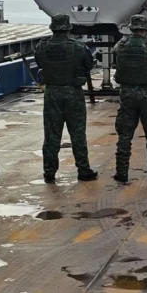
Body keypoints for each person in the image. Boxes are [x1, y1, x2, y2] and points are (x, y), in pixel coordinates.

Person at [33, 14, 98, 182]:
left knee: (51, 134)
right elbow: (89, 65)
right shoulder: (78, 47)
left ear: (52, 28)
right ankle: (83, 170)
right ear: (68, 28)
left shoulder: (42, 46)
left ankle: (49, 172)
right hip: (73, 93)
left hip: (52, 93)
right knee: (77, 133)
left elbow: (40, 63)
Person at [112, 15, 147, 183]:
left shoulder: (119, 47)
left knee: (125, 134)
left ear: (131, 28)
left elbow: (117, 64)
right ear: (146, 29)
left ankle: (121, 172)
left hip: (127, 95)